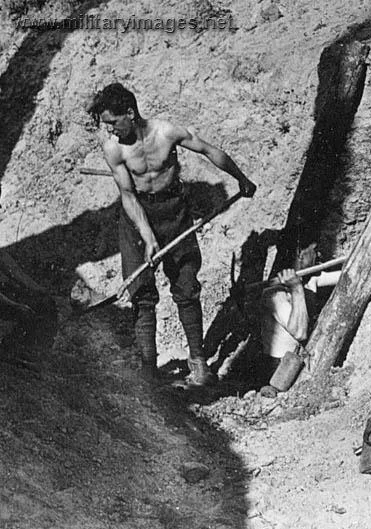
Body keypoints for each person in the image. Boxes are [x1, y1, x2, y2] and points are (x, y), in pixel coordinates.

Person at [87, 83, 256, 385]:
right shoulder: (114, 150)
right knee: (141, 292)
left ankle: (199, 362)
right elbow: (127, 194)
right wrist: (148, 236)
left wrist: (240, 178)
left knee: (186, 286)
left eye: (113, 122)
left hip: (175, 212)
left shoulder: (166, 133)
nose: (110, 130)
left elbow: (209, 150)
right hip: (137, 218)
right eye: (106, 125)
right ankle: (148, 372)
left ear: (130, 112)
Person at [260, 254, 341, 389]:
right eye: (313, 250)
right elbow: (299, 333)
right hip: (280, 367)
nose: (318, 255)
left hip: (300, 358)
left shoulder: (309, 280)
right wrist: (296, 288)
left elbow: (346, 273)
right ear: (300, 255)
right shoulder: (274, 295)